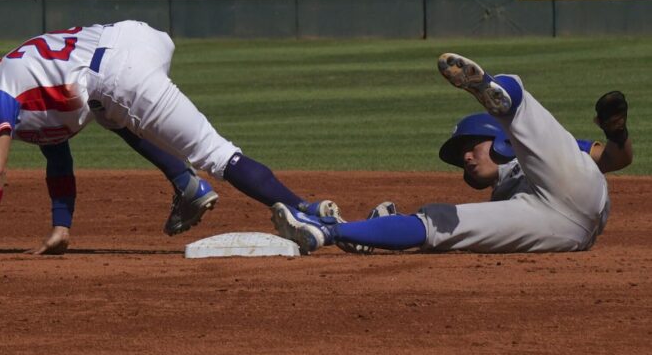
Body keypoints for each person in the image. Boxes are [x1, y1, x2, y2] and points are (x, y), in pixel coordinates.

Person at [0, 21, 338, 257]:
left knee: (215, 153)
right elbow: (58, 155)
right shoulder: (21, 88)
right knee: (110, 113)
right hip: (131, 44)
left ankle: (307, 211)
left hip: (119, 68)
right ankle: (186, 183)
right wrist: (61, 227)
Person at [271, 53, 632, 254]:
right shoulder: (501, 197)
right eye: (462, 157)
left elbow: (618, 159)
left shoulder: (535, 156)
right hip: (554, 232)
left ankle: (501, 98)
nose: (467, 159)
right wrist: (366, 233)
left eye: (472, 147)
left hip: (577, 192)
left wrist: (618, 135)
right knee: (437, 224)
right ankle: (330, 232)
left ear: (498, 141)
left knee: (522, 106)